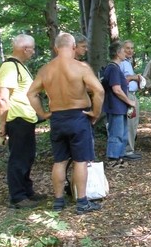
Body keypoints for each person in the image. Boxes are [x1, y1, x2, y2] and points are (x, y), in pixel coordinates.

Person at [27, 32, 105, 214]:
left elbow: (31, 94)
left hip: (57, 118)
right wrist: (95, 112)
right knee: (80, 161)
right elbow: (99, 91)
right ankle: (82, 202)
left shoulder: (45, 70)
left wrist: (43, 113)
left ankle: (58, 201)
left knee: (59, 161)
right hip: (78, 116)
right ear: (73, 47)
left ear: (55, 48)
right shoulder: (81, 67)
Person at [0, 34, 43, 209]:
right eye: (32, 48)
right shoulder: (9, 67)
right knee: (19, 158)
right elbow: (2, 98)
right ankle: (17, 197)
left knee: (28, 156)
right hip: (17, 119)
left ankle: (27, 191)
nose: (33, 51)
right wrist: (3, 124)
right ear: (25, 49)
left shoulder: (20, 66)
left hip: (26, 118)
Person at [101, 42, 137, 168]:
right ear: (117, 53)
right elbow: (116, 89)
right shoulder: (113, 68)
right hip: (115, 106)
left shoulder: (116, 67)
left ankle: (120, 157)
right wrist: (129, 101)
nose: (125, 53)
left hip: (121, 107)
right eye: (123, 50)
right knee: (116, 133)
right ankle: (112, 159)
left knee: (122, 133)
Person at [119, 39, 144, 159]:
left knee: (133, 122)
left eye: (132, 48)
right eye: (127, 48)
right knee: (130, 122)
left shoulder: (128, 62)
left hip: (132, 94)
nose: (130, 50)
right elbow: (124, 79)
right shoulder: (121, 63)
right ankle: (127, 151)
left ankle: (130, 148)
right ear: (122, 49)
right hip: (127, 95)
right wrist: (136, 77)